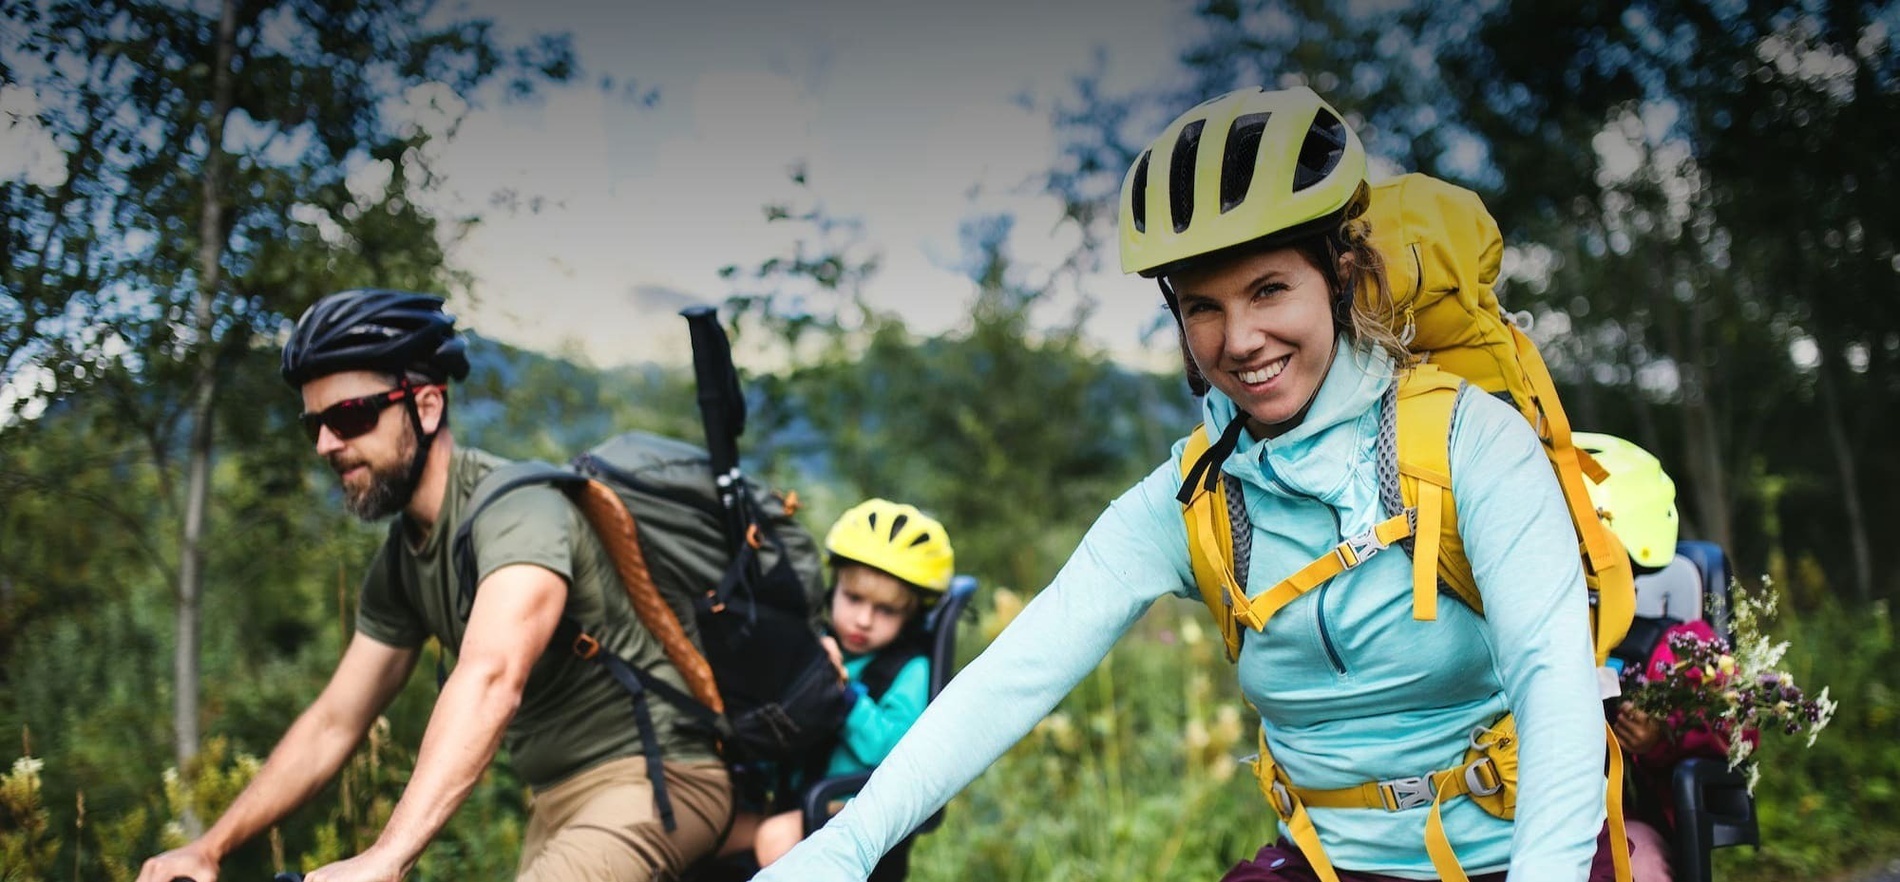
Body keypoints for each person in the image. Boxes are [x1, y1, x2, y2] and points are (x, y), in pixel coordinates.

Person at [754, 86, 1622, 882]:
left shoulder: (1469, 439)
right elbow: (1009, 679)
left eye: (1269, 288)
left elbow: (1555, 684)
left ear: (1339, 275)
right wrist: (844, 846)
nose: (1240, 339)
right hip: (1322, 867)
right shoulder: (1190, 498)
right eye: (1203, 305)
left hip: (1514, 855)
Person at [137, 290, 730, 882]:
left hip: (656, 781)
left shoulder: (519, 510)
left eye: (349, 417)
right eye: (314, 425)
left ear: (425, 406)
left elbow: (492, 675)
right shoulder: (402, 562)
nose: (326, 444)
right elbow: (334, 723)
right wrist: (211, 847)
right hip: (556, 804)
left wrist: (387, 857)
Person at [722, 499, 954, 867]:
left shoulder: (911, 671)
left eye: (886, 610)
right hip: (790, 796)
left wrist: (841, 694)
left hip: (854, 807)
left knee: (775, 839)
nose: (863, 619)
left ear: (912, 616)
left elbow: (893, 751)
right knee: (714, 828)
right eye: (854, 598)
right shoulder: (818, 644)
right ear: (834, 588)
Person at [1578, 432, 1755, 882]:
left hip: (1623, 823)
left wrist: (1662, 737)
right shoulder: (1510, 637)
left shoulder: (1675, 647)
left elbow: (1739, 728)